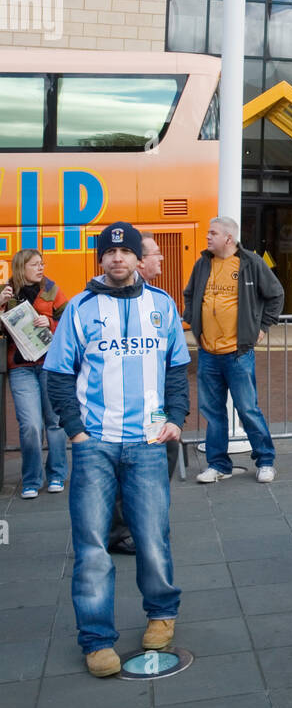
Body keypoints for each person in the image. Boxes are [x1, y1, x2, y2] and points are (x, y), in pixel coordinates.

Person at [43, 221, 189, 677]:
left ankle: (161, 615)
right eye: (110, 252)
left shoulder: (161, 305)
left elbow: (177, 370)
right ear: (101, 259)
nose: (119, 258)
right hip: (95, 445)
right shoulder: (80, 308)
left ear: (137, 258)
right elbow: (59, 374)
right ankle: (96, 639)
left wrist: (175, 420)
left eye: (126, 252)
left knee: (152, 537)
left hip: (147, 443)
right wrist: (75, 431)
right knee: (91, 546)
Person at [183, 216, 284, 483]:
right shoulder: (203, 263)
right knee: (213, 413)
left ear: (229, 238)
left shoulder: (251, 263)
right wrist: (193, 320)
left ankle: (265, 461)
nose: (207, 236)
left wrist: (262, 327)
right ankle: (218, 465)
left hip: (237, 354)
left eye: (212, 233)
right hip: (208, 353)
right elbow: (190, 293)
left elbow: (276, 294)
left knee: (247, 409)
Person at [106, 234, 179, 555]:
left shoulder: (160, 301)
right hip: (118, 410)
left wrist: (175, 412)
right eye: (156, 255)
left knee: (165, 455)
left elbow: (174, 360)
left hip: (153, 407)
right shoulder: (102, 302)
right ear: (142, 260)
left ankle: (147, 522)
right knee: (124, 468)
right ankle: (121, 531)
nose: (160, 260)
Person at [0, 250, 68, 499]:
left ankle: (57, 474)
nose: (41, 268)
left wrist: (48, 323)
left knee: (55, 422)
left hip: (50, 364)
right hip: (21, 367)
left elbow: (70, 323)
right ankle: (31, 479)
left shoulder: (52, 289)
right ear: (21, 267)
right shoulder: (6, 292)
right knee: (30, 425)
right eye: (35, 265)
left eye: (42, 264)